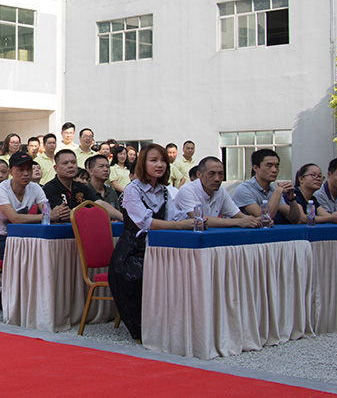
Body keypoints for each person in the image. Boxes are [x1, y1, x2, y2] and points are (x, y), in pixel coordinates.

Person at [108, 144, 193, 340]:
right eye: (153, 160)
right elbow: (145, 223)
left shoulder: (165, 191)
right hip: (131, 254)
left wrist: (192, 220)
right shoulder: (132, 190)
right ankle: (146, 329)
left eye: (163, 161)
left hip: (158, 250)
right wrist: (180, 225)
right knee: (140, 276)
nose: (160, 165)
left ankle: (175, 325)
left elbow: (175, 217)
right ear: (142, 163)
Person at [171, 157, 260, 227]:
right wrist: (239, 222)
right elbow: (200, 219)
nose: (217, 179)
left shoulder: (221, 191)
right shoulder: (187, 190)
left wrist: (255, 221)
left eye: (221, 174)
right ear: (199, 175)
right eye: (212, 174)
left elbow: (239, 216)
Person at [43, 150, 121, 223]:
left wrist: (121, 217)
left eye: (73, 162)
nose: (70, 166)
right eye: (65, 163)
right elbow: (63, 215)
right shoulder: (49, 188)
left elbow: (99, 203)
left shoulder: (81, 187)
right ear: (55, 168)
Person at [230, 149, 292, 219]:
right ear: (255, 168)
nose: (274, 170)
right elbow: (264, 218)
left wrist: (292, 199)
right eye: (269, 166)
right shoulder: (244, 189)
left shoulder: (272, 190)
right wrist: (278, 192)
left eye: (276, 166)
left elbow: (296, 219)